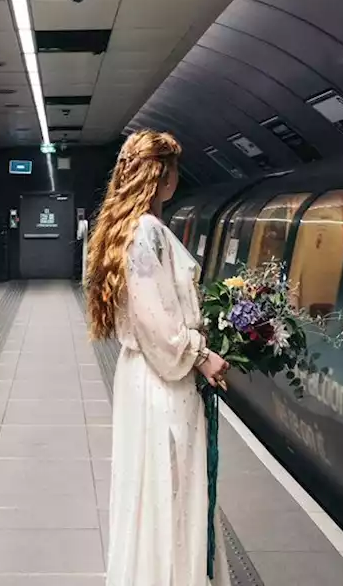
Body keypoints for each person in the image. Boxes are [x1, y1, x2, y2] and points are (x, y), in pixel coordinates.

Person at [85, 129, 232, 586]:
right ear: (161, 174)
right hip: (162, 383)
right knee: (172, 491)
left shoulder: (127, 231)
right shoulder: (147, 233)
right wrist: (203, 354)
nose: (177, 178)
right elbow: (159, 326)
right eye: (173, 169)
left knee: (149, 493)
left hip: (144, 379)